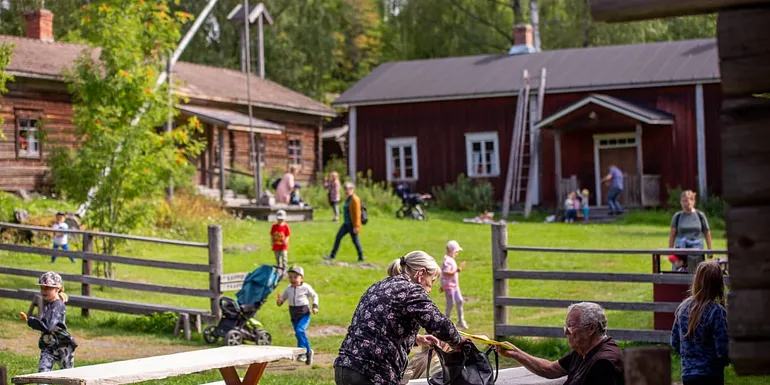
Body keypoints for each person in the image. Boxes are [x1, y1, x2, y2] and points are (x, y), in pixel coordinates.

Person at [334, 251, 468, 385]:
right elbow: (438, 323)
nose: (429, 289)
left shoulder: (379, 285)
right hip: (374, 372)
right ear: (421, 274)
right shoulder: (411, 290)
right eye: (431, 281)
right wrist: (457, 341)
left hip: (345, 367)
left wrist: (416, 339)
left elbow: (375, 326)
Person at [495, 302, 624, 385]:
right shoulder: (584, 351)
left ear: (591, 329)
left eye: (571, 326)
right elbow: (551, 369)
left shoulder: (603, 363)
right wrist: (515, 353)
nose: (566, 332)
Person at [671, 261, 728, 385]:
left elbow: (675, 342)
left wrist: (690, 357)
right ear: (718, 284)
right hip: (711, 375)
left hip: (688, 375)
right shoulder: (716, 311)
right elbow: (722, 348)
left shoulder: (683, 307)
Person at [20, 272, 78, 372]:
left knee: (69, 376)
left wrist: (31, 321)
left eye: (47, 288)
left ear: (57, 289)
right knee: (42, 375)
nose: (43, 291)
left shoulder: (57, 305)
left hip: (63, 347)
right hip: (48, 346)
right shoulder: (49, 304)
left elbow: (48, 326)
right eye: (42, 288)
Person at [277, 265, 319, 366]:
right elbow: (283, 299)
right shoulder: (288, 289)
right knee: (298, 333)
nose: (293, 279)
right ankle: (305, 353)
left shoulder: (305, 287)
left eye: (295, 277)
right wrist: (280, 301)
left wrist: (315, 306)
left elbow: (314, 295)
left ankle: (305, 352)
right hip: (293, 315)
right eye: (290, 277)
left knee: (300, 331)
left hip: (304, 314)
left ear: (302, 278)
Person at [669, 190, 712, 264]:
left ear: (693, 201)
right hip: (680, 249)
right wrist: (670, 252)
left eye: (687, 201)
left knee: (696, 271)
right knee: (680, 272)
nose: (685, 203)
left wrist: (709, 250)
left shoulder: (700, 215)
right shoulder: (677, 216)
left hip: (697, 248)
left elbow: (707, 233)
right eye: (683, 201)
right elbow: (672, 235)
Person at [324, 182, 365, 262]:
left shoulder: (355, 199)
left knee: (355, 240)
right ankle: (332, 256)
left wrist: (356, 226)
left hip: (352, 224)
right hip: (346, 223)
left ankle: (361, 256)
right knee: (338, 237)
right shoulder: (348, 198)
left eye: (348, 189)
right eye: (345, 189)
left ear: (352, 189)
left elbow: (357, 214)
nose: (346, 191)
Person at [441, 240, 468, 329]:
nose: (457, 254)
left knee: (459, 301)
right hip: (449, 286)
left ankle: (461, 320)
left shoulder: (451, 260)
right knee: (450, 303)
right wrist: (457, 269)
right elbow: (446, 272)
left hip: (455, 286)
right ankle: (446, 321)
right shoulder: (446, 260)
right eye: (456, 252)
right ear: (451, 250)